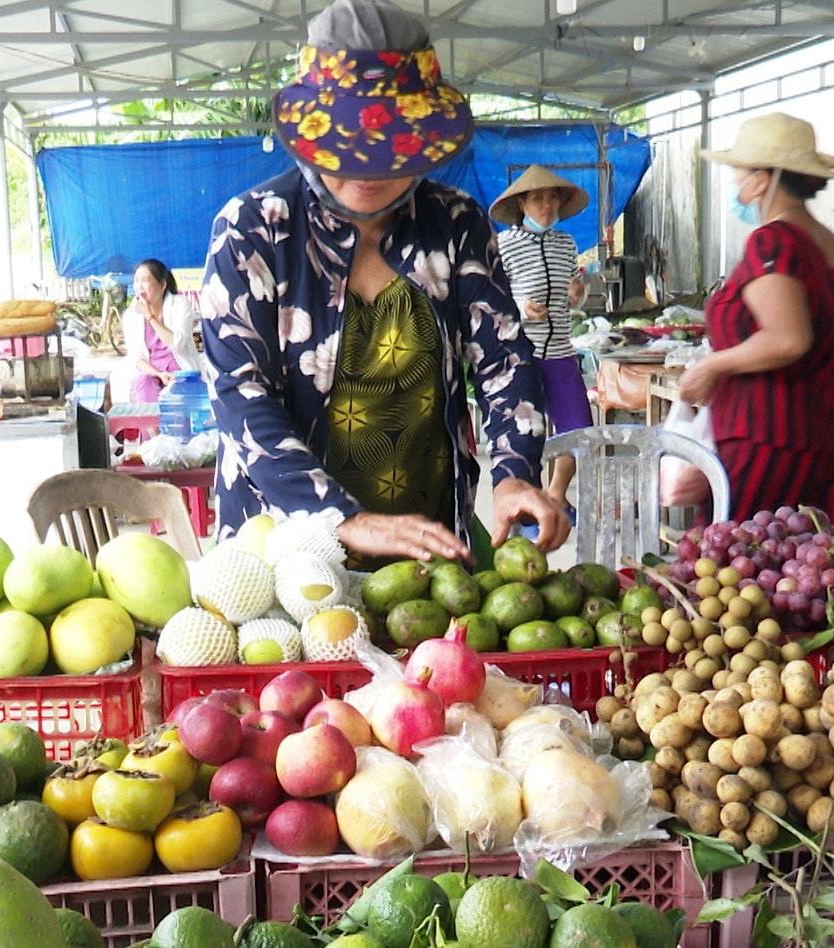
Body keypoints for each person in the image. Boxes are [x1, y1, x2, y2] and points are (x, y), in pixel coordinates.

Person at [197, 0, 569, 567]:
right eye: (345, 147)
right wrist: (343, 520)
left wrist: (514, 473)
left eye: (387, 148)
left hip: (428, 552)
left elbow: (504, 362)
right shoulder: (252, 230)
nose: (365, 171)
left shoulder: (457, 223)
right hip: (283, 557)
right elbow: (240, 392)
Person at [675, 113, 834, 536]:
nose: (735, 183)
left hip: (769, 439)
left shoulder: (773, 241)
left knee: (736, 576)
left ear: (764, 179)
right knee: (826, 577)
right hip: (831, 438)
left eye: (740, 172)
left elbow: (788, 339)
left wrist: (710, 367)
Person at [489, 166, 590, 514]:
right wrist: (520, 308)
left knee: (579, 431)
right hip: (521, 354)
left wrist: (578, 291)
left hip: (561, 351)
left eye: (552, 198)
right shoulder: (505, 245)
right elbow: (493, 299)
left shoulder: (566, 244)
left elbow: (573, 294)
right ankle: (528, 506)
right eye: (537, 199)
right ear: (522, 204)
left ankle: (557, 494)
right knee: (525, 434)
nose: (547, 206)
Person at [122, 259, 203, 402]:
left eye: (145, 281)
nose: (139, 286)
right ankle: (150, 425)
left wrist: (150, 316)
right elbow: (137, 358)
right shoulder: (131, 315)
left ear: (162, 285)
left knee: (178, 388)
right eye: (136, 281)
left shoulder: (179, 304)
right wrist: (158, 374)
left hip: (180, 372)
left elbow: (176, 343)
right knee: (142, 380)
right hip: (153, 373)